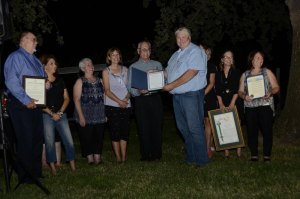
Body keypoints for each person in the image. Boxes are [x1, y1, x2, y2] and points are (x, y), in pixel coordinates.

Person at [4, 31, 46, 184]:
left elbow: (41, 79)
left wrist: (45, 85)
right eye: (34, 39)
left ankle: (36, 173)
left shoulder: (35, 60)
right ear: (23, 41)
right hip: (20, 103)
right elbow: (11, 81)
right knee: (25, 139)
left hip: (35, 103)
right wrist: (25, 99)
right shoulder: (15, 57)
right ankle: (26, 176)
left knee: (36, 138)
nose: (36, 42)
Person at [163, 27, 209, 167]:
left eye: (184, 37)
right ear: (176, 40)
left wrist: (171, 86)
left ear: (189, 38)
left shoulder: (195, 51)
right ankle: (191, 157)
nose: (181, 39)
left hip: (191, 95)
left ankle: (202, 160)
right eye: (178, 37)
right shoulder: (175, 55)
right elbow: (167, 72)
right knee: (183, 128)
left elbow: (192, 72)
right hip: (177, 97)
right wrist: (156, 74)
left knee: (194, 127)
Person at [238, 50, 279, 162]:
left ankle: (267, 155)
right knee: (251, 131)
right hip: (250, 107)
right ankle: (254, 155)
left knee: (267, 131)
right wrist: (244, 96)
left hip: (265, 105)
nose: (260, 60)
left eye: (261, 58)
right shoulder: (245, 74)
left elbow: (276, 87)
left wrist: (270, 92)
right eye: (257, 58)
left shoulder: (267, 72)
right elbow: (240, 91)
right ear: (251, 60)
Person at [127, 40, 163, 161]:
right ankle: (146, 155)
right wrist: (138, 92)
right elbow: (130, 86)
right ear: (138, 51)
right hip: (141, 100)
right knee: (143, 127)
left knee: (157, 126)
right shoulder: (133, 67)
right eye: (143, 49)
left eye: (148, 49)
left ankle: (156, 154)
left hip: (155, 98)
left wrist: (162, 79)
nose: (146, 52)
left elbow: (164, 83)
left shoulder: (157, 64)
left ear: (150, 51)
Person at [40, 54, 76, 175]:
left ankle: (73, 167)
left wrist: (60, 113)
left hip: (61, 115)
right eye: (51, 63)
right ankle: (53, 169)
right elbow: (39, 101)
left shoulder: (60, 80)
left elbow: (67, 98)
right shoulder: (40, 82)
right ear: (45, 66)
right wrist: (51, 113)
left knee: (69, 141)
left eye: (55, 63)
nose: (54, 65)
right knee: (49, 142)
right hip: (47, 116)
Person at [73, 58, 106, 165]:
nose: (91, 66)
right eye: (88, 65)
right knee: (87, 137)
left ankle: (97, 157)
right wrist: (81, 116)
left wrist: (106, 112)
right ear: (83, 68)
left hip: (99, 114)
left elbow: (105, 96)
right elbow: (76, 99)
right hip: (85, 114)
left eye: (91, 64)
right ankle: (90, 158)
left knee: (99, 136)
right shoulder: (80, 81)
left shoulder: (100, 80)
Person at [102, 47, 131, 163]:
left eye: (117, 55)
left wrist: (125, 99)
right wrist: (119, 101)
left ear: (120, 57)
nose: (115, 57)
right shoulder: (106, 72)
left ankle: (123, 158)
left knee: (125, 131)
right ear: (109, 57)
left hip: (126, 104)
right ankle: (118, 158)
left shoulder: (126, 70)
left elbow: (130, 88)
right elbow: (107, 91)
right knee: (115, 132)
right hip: (112, 105)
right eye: (112, 55)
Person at [215, 50, 243, 158]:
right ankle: (226, 150)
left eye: (230, 57)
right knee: (224, 125)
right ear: (222, 60)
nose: (228, 59)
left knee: (237, 124)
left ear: (232, 60)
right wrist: (221, 104)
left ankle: (238, 150)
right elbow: (217, 90)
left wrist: (232, 103)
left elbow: (237, 88)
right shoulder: (218, 74)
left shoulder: (237, 72)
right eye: (226, 57)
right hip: (223, 101)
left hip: (235, 100)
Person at [200, 45, 218, 158]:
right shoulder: (195, 66)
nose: (204, 55)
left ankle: (207, 148)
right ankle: (204, 145)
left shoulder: (211, 66)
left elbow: (211, 83)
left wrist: (202, 95)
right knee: (199, 122)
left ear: (209, 56)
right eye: (202, 53)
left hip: (208, 96)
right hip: (196, 96)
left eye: (207, 54)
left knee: (208, 122)